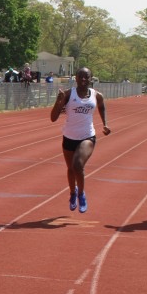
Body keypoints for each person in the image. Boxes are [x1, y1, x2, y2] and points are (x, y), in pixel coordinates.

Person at [49, 67, 110, 213]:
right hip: (69, 136)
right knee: (70, 169)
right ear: (75, 78)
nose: (83, 80)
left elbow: (101, 107)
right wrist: (58, 102)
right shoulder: (69, 95)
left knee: (77, 165)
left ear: (91, 78)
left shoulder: (97, 96)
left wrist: (105, 124)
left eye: (87, 77)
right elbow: (53, 118)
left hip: (87, 136)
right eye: (80, 77)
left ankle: (81, 194)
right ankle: (72, 193)